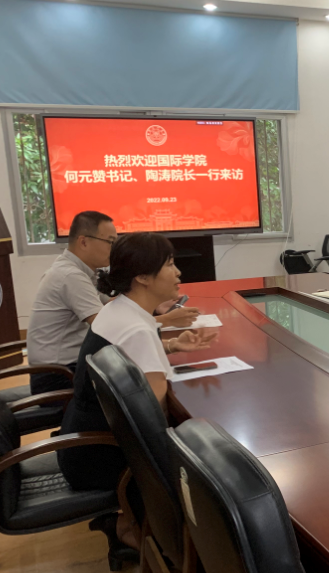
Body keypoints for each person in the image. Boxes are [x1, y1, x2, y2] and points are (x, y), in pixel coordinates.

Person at [57, 233, 217, 559]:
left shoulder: (118, 309)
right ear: (142, 277)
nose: (178, 273)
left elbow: (132, 357)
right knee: (212, 462)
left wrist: (171, 345)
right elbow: (154, 424)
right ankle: (174, 547)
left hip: (81, 445)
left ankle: (129, 527)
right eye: (169, 264)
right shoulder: (137, 328)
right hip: (104, 457)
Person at [27, 211, 198, 395]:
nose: (114, 249)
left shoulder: (83, 271)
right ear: (84, 242)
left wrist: (155, 304)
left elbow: (116, 304)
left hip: (75, 365)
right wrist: (167, 319)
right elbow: (116, 329)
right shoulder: (70, 276)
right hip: (59, 375)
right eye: (110, 242)